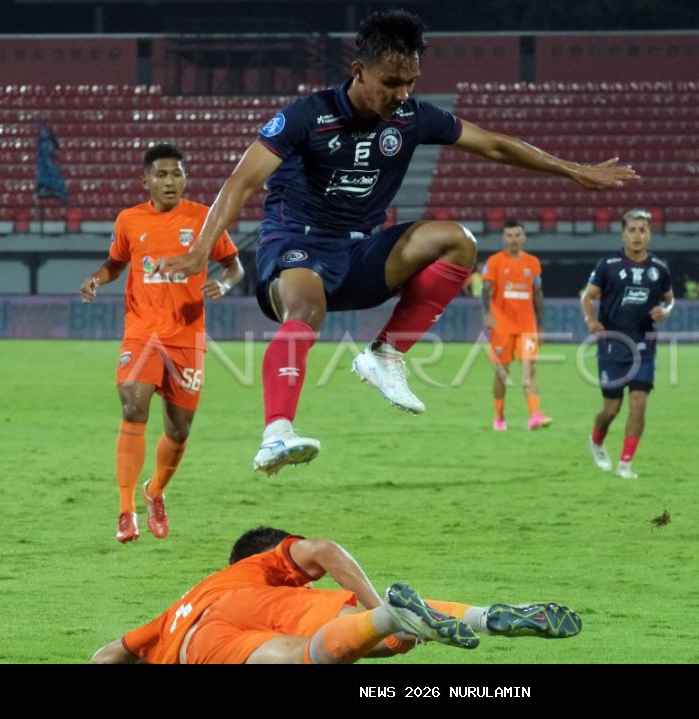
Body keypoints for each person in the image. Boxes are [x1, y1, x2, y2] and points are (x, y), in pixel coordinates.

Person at [154, 9, 638, 476]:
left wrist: (572, 171)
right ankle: (276, 433)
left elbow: (492, 143)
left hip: (363, 253)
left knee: (459, 241)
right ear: (358, 71)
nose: (401, 94)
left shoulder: (412, 117)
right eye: (390, 83)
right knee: (306, 309)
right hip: (297, 245)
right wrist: (203, 248)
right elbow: (242, 179)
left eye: (410, 83)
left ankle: (386, 354)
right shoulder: (308, 115)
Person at [90, 526, 582, 664]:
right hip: (237, 617)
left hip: (198, 643)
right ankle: (482, 616)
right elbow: (322, 548)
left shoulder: (179, 606)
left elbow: (108, 654)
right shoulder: (251, 568)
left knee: (302, 654)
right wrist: (373, 601)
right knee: (358, 624)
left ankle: (392, 620)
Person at [79, 143, 245, 543]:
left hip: (186, 339)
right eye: (162, 174)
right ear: (146, 180)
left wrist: (223, 284)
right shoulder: (129, 220)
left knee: (179, 430)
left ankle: (154, 492)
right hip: (142, 333)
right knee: (133, 404)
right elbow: (116, 263)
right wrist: (97, 279)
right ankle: (125, 511)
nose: (170, 181)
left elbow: (235, 266)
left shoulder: (204, 219)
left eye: (177, 174)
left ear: (185, 178)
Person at [580, 209, 673, 480]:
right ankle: (597, 440)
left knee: (639, 401)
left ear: (649, 235)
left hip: (644, 345)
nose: (637, 235)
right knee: (611, 409)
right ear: (623, 234)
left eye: (642, 230)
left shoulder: (659, 269)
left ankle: (625, 464)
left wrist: (665, 310)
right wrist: (591, 320)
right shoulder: (608, 265)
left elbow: (669, 299)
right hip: (613, 345)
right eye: (632, 230)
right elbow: (588, 296)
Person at [481, 220, 551, 431]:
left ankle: (535, 415)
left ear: (524, 237)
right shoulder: (494, 262)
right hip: (502, 326)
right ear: (504, 238)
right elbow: (485, 290)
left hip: (527, 326)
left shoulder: (532, 263)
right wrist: (487, 314)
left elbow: (538, 294)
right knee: (502, 373)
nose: (513, 239)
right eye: (509, 235)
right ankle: (499, 417)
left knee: (529, 369)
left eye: (517, 235)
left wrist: (540, 324)